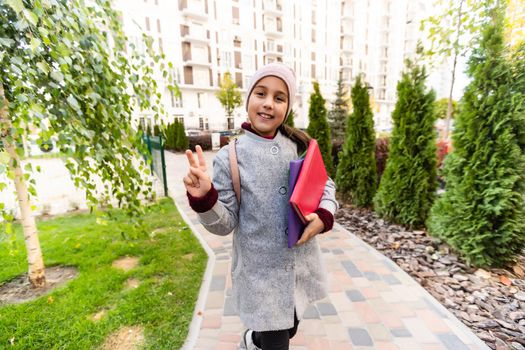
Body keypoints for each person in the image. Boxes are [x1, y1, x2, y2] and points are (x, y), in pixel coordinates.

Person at [183, 63, 338, 350]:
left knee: (289, 326)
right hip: (259, 276)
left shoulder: (298, 144)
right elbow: (224, 223)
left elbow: (324, 183)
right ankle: (257, 341)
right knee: (277, 341)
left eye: (279, 98)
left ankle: (251, 338)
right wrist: (205, 197)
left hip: (297, 266)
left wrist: (325, 215)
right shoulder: (230, 157)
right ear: (248, 99)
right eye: (261, 93)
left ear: (288, 107)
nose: (268, 103)